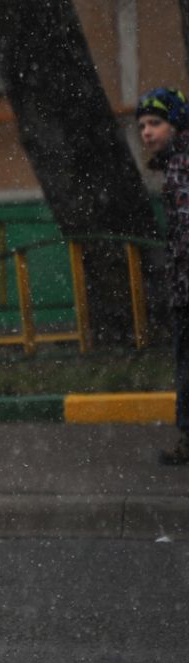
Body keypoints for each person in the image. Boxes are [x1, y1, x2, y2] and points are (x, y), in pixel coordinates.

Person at [137, 86, 189, 465]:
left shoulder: (182, 165)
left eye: (155, 123)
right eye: (142, 126)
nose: (147, 133)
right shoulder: (175, 162)